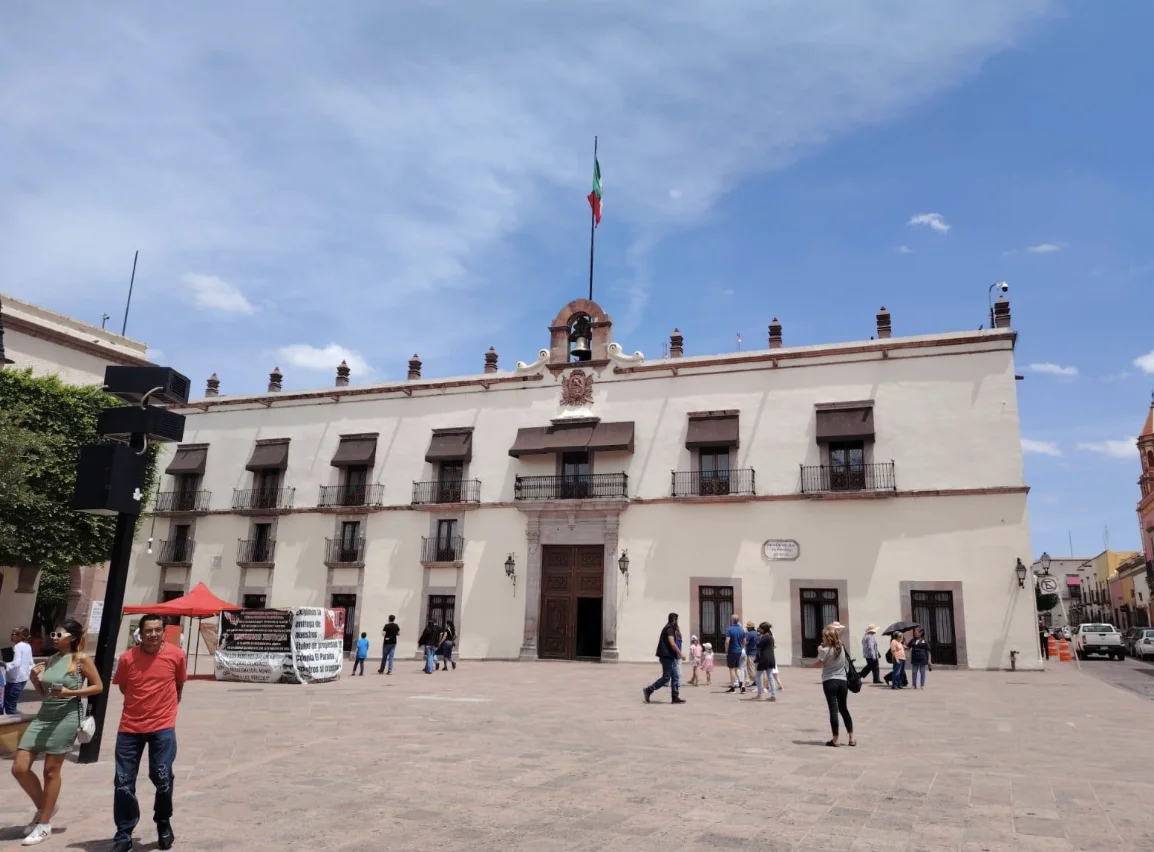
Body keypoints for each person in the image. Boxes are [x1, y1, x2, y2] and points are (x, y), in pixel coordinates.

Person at [11, 619, 103, 846]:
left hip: (66, 718)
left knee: (51, 771)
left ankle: (44, 825)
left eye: (58, 634)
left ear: (72, 638)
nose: (53, 638)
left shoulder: (80, 659)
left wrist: (69, 693)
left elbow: (98, 686)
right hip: (43, 716)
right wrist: (34, 679)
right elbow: (46, 694)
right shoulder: (51, 660)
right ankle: (46, 807)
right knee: (19, 768)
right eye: (53, 634)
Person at [110, 613, 188, 852]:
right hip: (130, 727)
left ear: (164, 632)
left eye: (157, 630)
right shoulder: (127, 658)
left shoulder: (176, 655)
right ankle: (124, 834)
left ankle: (163, 821)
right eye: (148, 630)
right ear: (140, 633)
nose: (153, 634)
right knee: (123, 782)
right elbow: (124, 686)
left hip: (162, 726)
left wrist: (167, 708)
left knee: (162, 777)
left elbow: (179, 683)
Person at [812, 623, 855, 747]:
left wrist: (819, 651)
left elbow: (816, 665)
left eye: (823, 636)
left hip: (830, 681)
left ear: (828, 638)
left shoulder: (824, 650)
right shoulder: (841, 647)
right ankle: (851, 737)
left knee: (833, 710)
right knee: (844, 708)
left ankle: (835, 739)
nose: (822, 638)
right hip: (842, 681)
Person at [642, 613, 686, 704]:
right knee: (666, 677)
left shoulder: (669, 628)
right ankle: (648, 690)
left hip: (669, 656)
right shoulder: (669, 629)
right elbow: (672, 643)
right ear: (674, 620)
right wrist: (681, 654)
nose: (677, 622)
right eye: (676, 620)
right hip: (666, 657)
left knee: (675, 676)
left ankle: (675, 697)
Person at [4, 627, 33, 715]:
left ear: (21, 636)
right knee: (10, 702)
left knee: (10, 706)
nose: (13, 636)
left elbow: (16, 663)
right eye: (12, 634)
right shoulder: (28, 646)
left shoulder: (18, 646)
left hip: (15, 679)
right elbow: (31, 662)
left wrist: (5, 665)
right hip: (23, 678)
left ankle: (18, 720)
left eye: (15, 634)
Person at [753, 622, 777, 702]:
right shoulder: (770, 637)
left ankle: (759, 694)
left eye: (760, 628)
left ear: (763, 629)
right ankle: (773, 695)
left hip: (764, 658)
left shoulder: (764, 637)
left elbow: (758, 645)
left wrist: (758, 637)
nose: (759, 630)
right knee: (770, 676)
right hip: (771, 658)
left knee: (757, 676)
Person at [724, 614, 746, 693]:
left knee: (731, 669)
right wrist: (742, 647)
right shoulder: (741, 630)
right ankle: (742, 685)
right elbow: (744, 641)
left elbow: (727, 641)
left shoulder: (729, 629)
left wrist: (726, 650)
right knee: (737, 668)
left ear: (732, 620)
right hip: (739, 651)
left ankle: (733, 687)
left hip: (732, 651)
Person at [743, 620, 759, 687]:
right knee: (755, 668)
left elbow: (746, 642)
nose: (747, 628)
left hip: (751, 652)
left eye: (748, 627)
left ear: (750, 627)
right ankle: (756, 681)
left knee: (751, 668)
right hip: (756, 652)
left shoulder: (750, 634)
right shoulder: (756, 633)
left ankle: (754, 681)